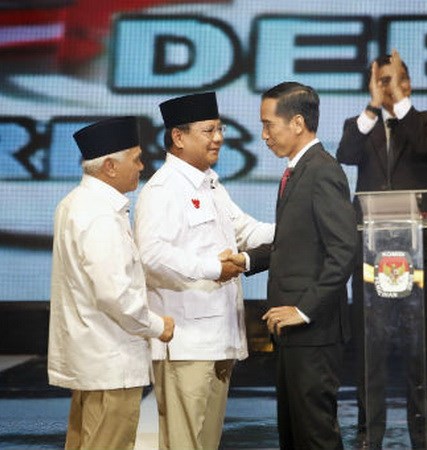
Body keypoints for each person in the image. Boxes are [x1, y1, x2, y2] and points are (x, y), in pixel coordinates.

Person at [133, 92, 275, 450]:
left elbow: (248, 230)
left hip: (220, 339)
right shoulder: (163, 188)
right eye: (208, 130)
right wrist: (213, 268)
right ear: (178, 137)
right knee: (184, 443)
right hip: (185, 344)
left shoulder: (210, 184)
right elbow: (151, 254)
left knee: (206, 443)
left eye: (220, 129)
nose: (219, 138)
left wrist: (303, 221)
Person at [336, 49, 427, 448]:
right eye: (380, 81)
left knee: (420, 345)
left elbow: (423, 148)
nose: (386, 87)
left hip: (421, 250)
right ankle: (368, 433)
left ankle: (423, 433)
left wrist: (398, 101)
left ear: (407, 83)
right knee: (370, 346)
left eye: (392, 80)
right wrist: (374, 106)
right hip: (371, 252)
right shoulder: (360, 125)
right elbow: (345, 154)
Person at [234, 81, 357, 449]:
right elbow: (295, 241)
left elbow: (344, 250)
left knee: (314, 435)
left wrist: (303, 310)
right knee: (294, 433)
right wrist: (245, 259)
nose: (264, 135)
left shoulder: (322, 171)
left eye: (268, 124)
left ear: (298, 123)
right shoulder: (299, 170)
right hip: (294, 333)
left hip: (313, 331)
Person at [47, 116, 175, 450]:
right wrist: (157, 326)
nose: (142, 166)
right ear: (109, 166)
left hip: (92, 359)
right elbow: (114, 295)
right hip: (111, 362)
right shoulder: (100, 215)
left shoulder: (74, 204)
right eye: (136, 159)